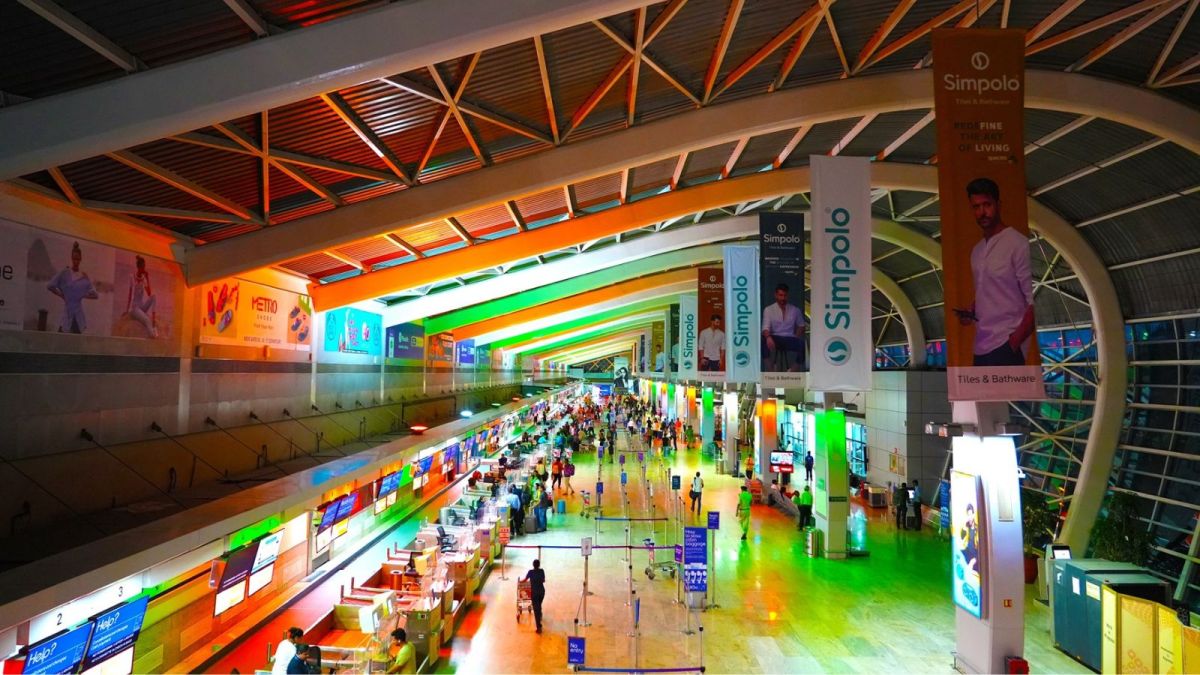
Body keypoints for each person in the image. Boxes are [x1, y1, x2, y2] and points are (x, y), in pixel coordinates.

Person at [952, 178, 1035, 367]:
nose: (982, 212)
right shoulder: (977, 250)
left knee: (1012, 398)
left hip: (1006, 344)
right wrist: (972, 311)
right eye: (976, 207)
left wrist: (1013, 342)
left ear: (998, 204)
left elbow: (1032, 300)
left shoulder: (1018, 244)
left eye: (987, 205)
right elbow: (989, 291)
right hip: (981, 346)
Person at [47, 241, 99, 334]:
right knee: (62, 336)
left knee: (76, 341)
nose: (76, 261)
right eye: (74, 259)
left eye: (78, 259)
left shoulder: (83, 276)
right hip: (68, 312)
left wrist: (82, 295)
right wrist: (62, 295)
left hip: (78, 314)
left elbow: (95, 295)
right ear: (71, 258)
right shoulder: (65, 273)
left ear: (80, 259)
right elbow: (50, 285)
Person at [761, 283, 806, 371]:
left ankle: (792, 370)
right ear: (776, 295)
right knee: (763, 341)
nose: (783, 298)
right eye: (780, 295)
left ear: (787, 296)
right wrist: (768, 337)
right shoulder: (769, 309)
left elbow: (802, 325)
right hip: (775, 338)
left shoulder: (795, 310)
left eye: (785, 295)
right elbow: (765, 327)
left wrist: (796, 336)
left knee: (802, 345)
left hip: (789, 338)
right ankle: (771, 370)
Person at [123, 255, 159, 338]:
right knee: (147, 320)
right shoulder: (132, 277)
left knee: (154, 296)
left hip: (142, 307)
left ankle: (153, 319)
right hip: (135, 308)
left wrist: (147, 278)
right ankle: (153, 335)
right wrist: (127, 310)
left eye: (144, 267)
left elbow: (149, 294)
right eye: (143, 267)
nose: (144, 269)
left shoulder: (144, 278)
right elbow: (130, 294)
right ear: (139, 267)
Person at [524, 559, 547, 633]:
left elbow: (524, 580)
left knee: (536, 610)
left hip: (535, 593)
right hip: (542, 592)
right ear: (539, 565)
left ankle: (539, 627)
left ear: (533, 565)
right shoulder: (542, 571)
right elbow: (543, 580)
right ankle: (540, 615)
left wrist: (519, 581)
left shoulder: (530, 572)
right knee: (539, 605)